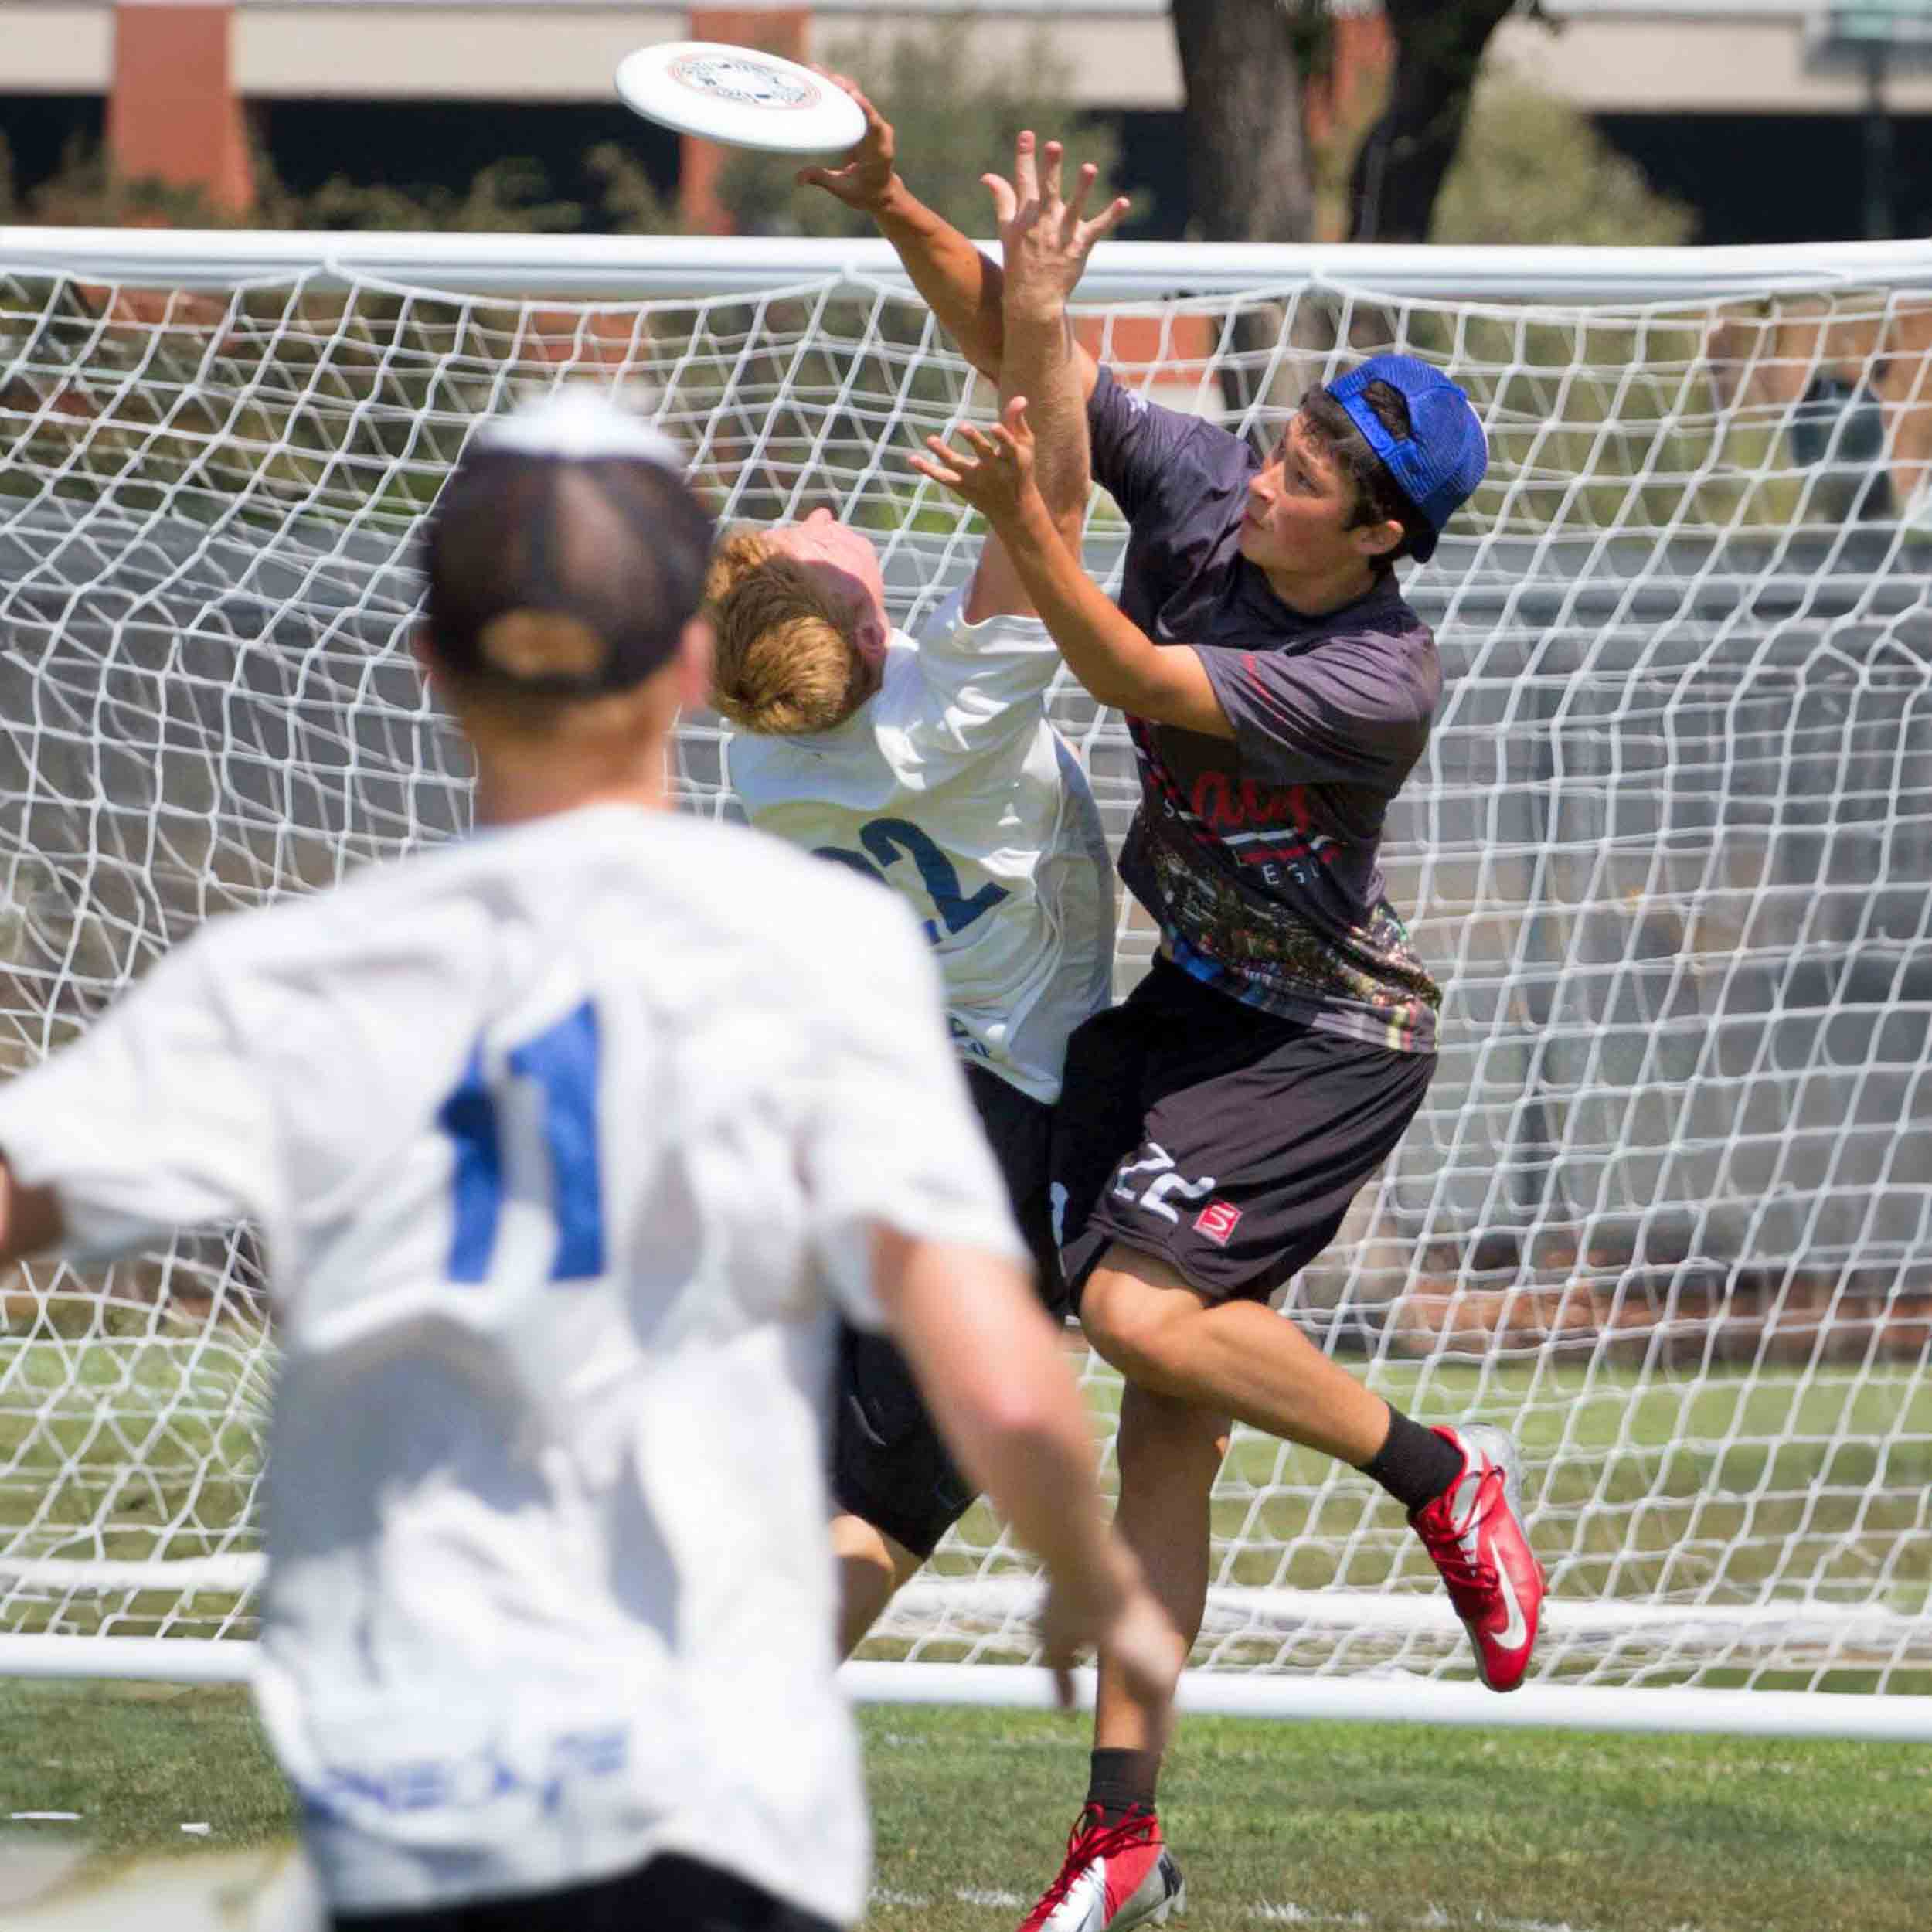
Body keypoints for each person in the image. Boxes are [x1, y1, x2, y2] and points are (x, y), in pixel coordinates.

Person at [0, 391, 1175, 1932]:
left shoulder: (291, 978)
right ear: (686, 669)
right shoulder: (818, 953)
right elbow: (998, 1363)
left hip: (416, 1780)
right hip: (717, 1805)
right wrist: (1087, 1565)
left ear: (433, 672)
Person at [803, 82, 1546, 1932]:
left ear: (1377, 536)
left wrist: (1024, 498)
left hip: (1324, 1038)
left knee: (1139, 1314)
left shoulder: (1374, 676)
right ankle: (1120, 1834)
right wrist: (893, 200)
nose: (1269, 470)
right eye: (1287, 435)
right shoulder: (1220, 481)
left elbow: (1117, 659)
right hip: (1181, 1004)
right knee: (1167, 1418)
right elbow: (1018, 339)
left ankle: (1439, 1470)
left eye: (1312, 474)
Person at [706, 134, 1128, 1652]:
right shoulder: (939, 713)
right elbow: (1057, 491)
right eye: (824, 554)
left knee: (800, 1476)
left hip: (854, 1111)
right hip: (982, 1119)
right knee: (879, 1509)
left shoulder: (771, 757)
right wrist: (1037, 303)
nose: (821, 518)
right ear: (867, 632)